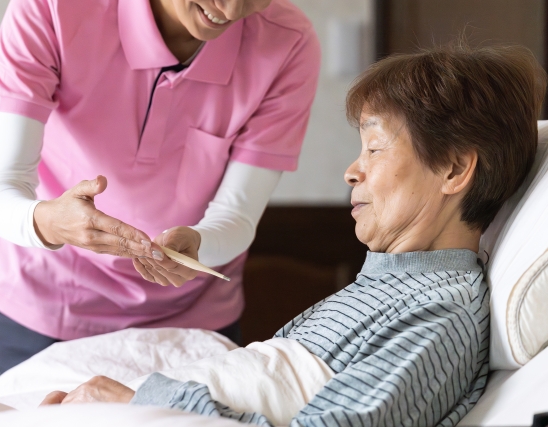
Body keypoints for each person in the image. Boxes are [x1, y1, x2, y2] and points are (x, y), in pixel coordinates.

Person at [40, 42, 546, 427]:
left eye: (374, 148)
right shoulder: (391, 285)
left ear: (454, 170)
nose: (352, 170)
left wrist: (140, 403)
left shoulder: (442, 316)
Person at [0, 0, 321, 379]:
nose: (233, 7)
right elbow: (3, 187)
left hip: (191, 319)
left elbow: (236, 216)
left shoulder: (287, 42)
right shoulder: (52, 8)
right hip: (44, 301)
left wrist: (199, 243)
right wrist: (52, 223)